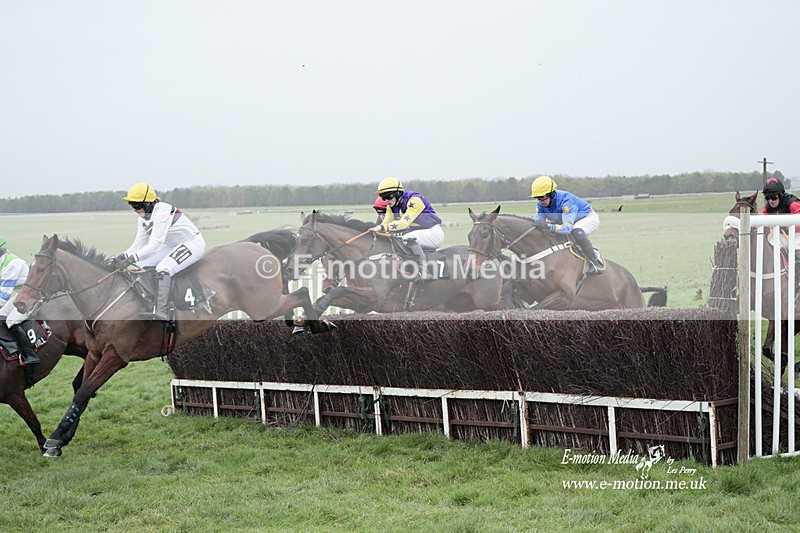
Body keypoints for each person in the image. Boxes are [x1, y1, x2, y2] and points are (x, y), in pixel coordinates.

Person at [114, 182, 206, 320]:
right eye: (132, 205)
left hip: (192, 243)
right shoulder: (143, 219)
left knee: (163, 268)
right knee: (143, 264)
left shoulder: (162, 212)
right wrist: (123, 256)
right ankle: (149, 302)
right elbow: (139, 244)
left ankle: (162, 310)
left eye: (137, 205)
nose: (134, 209)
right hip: (171, 245)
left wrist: (131, 259)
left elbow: (154, 246)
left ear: (148, 203)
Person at [369, 177, 444, 280]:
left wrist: (382, 227)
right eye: (383, 197)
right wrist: (373, 231)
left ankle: (424, 271)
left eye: (388, 196)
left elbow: (403, 224)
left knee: (406, 238)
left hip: (433, 233)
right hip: (418, 234)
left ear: (398, 192)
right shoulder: (391, 206)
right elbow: (386, 223)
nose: (386, 200)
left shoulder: (414, 200)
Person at [530, 175, 603, 275]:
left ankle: (595, 261)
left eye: (543, 197)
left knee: (576, 231)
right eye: (538, 198)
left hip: (587, 218)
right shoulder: (541, 205)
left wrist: (548, 226)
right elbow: (536, 223)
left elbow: (567, 228)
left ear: (552, 194)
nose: (541, 201)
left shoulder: (567, 202)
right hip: (566, 220)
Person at [0, 235, 39, 365]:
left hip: (33, 296)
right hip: (22, 295)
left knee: (11, 320)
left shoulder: (12, 264)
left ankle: (30, 355)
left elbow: (4, 295)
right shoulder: (3, 261)